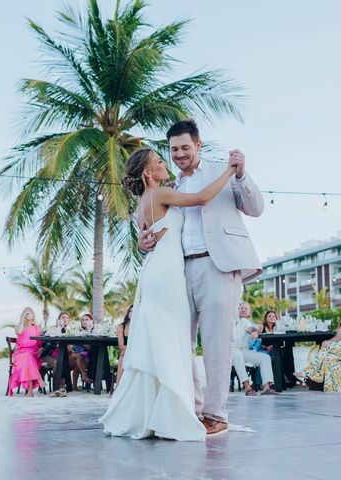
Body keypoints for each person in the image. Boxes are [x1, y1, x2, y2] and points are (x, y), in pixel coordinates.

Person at [101, 143, 239, 441]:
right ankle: (172, 413)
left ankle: (159, 411)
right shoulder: (160, 194)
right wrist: (229, 170)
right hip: (167, 274)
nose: (167, 163)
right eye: (160, 161)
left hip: (157, 270)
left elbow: (151, 235)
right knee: (171, 341)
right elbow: (202, 197)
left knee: (162, 340)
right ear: (149, 173)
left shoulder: (144, 200)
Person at [135, 119, 264, 436]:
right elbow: (154, 230)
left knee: (217, 343)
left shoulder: (224, 171)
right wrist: (142, 244)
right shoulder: (168, 185)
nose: (178, 154)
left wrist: (241, 173)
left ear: (198, 145)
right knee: (180, 344)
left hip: (217, 265)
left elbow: (256, 208)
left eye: (184, 148)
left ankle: (215, 413)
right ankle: (189, 411)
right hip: (177, 272)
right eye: (173, 149)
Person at [231, 302, 276, 396]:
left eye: (245, 308)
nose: (242, 310)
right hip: (230, 352)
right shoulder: (228, 321)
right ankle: (247, 388)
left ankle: (266, 388)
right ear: (236, 310)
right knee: (237, 355)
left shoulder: (244, 321)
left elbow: (250, 328)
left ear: (249, 313)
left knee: (265, 358)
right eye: (240, 308)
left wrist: (255, 332)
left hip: (244, 351)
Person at [8, 307, 46, 397]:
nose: (28, 315)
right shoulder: (19, 326)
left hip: (33, 353)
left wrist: (41, 349)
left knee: (28, 358)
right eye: (26, 313)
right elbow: (19, 332)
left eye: (30, 313)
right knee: (26, 357)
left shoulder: (36, 328)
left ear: (33, 316)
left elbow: (40, 343)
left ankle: (30, 392)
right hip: (20, 353)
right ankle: (38, 379)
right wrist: (22, 320)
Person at [115, 305, 132, 385]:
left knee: (123, 355)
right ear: (128, 313)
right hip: (125, 352)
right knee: (122, 356)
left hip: (137, 353)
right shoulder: (121, 326)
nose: (132, 313)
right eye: (130, 311)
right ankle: (117, 388)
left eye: (134, 311)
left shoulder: (140, 326)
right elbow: (121, 346)